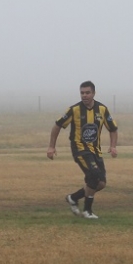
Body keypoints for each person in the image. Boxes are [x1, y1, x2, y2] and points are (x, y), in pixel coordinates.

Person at [47, 81, 118, 219]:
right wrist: (51, 146)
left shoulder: (102, 109)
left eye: (87, 93)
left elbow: (113, 129)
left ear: (93, 93)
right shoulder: (74, 110)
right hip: (80, 150)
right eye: (82, 93)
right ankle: (87, 211)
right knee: (94, 174)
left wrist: (113, 146)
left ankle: (73, 198)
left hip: (96, 151)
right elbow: (57, 126)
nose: (84, 95)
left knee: (101, 183)